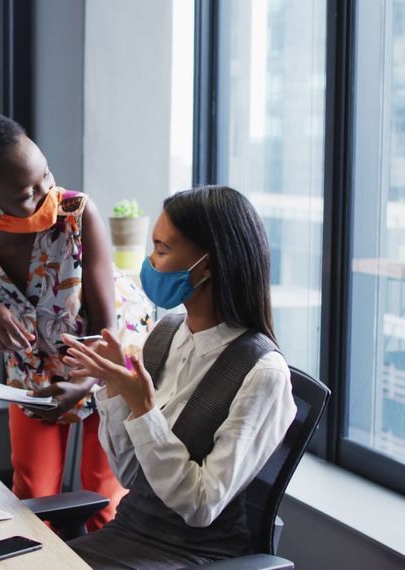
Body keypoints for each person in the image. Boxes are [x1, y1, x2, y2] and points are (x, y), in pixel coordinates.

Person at [0, 112, 151, 530]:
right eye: (28, 193)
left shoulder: (77, 214)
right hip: (32, 372)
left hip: (110, 360)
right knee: (32, 498)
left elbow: (107, 333)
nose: (47, 192)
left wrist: (84, 384)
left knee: (107, 501)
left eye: (46, 174)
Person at [60, 185, 297, 568]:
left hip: (190, 555)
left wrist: (142, 409)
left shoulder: (263, 373)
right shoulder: (167, 332)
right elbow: (130, 475)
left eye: (162, 249)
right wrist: (115, 391)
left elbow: (201, 505)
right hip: (127, 534)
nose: (149, 261)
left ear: (206, 265)